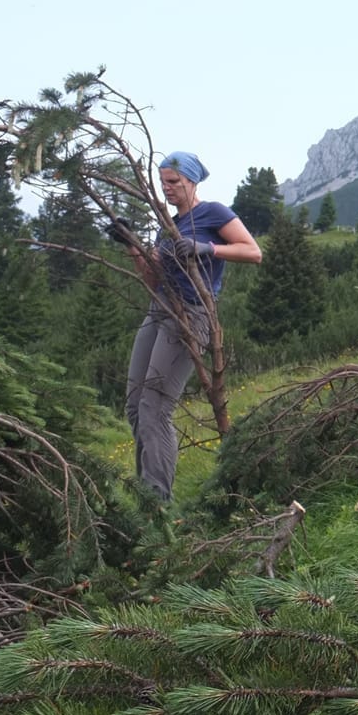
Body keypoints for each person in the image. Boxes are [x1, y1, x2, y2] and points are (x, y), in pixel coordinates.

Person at [124, 150, 263, 500]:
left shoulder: (212, 213)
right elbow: (153, 280)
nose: (167, 188)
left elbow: (253, 252)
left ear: (192, 180)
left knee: (155, 407)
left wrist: (207, 248)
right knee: (135, 405)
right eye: (163, 182)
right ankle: (146, 497)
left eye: (173, 181)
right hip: (159, 309)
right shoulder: (167, 226)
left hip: (191, 314)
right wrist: (134, 249)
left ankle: (157, 502)